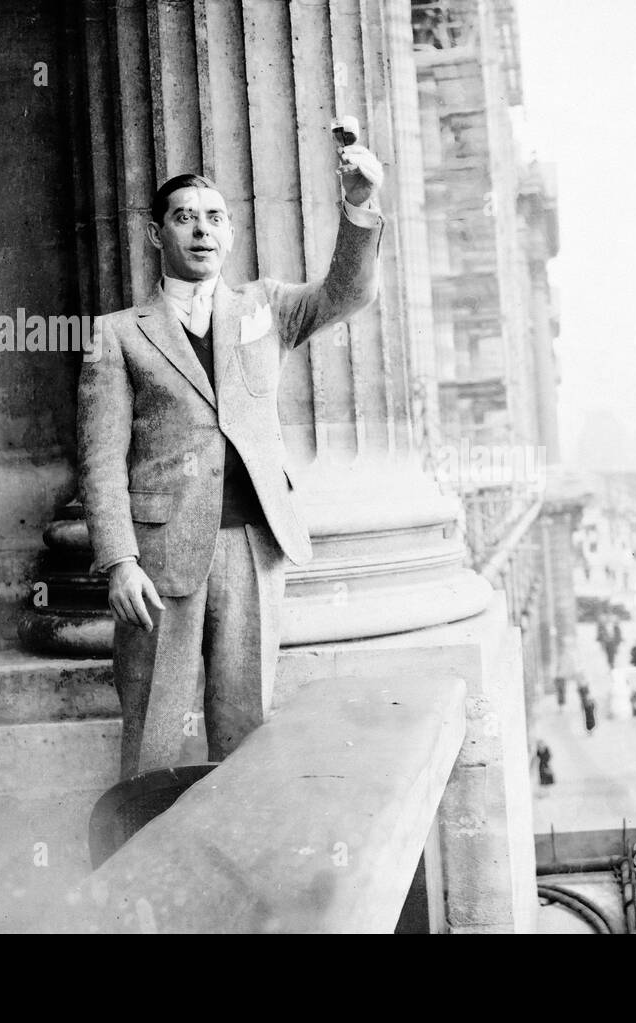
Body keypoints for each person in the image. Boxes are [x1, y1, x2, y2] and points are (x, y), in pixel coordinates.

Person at [78, 150, 386, 780]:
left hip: (252, 545)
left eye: (215, 218)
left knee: (246, 732)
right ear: (155, 233)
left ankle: (238, 862)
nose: (202, 231)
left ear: (230, 232)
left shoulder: (264, 307)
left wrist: (357, 204)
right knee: (153, 736)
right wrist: (119, 561)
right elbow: (101, 461)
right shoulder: (117, 334)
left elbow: (348, 292)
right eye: (185, 218)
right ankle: (142, 865)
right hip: (160, 561)